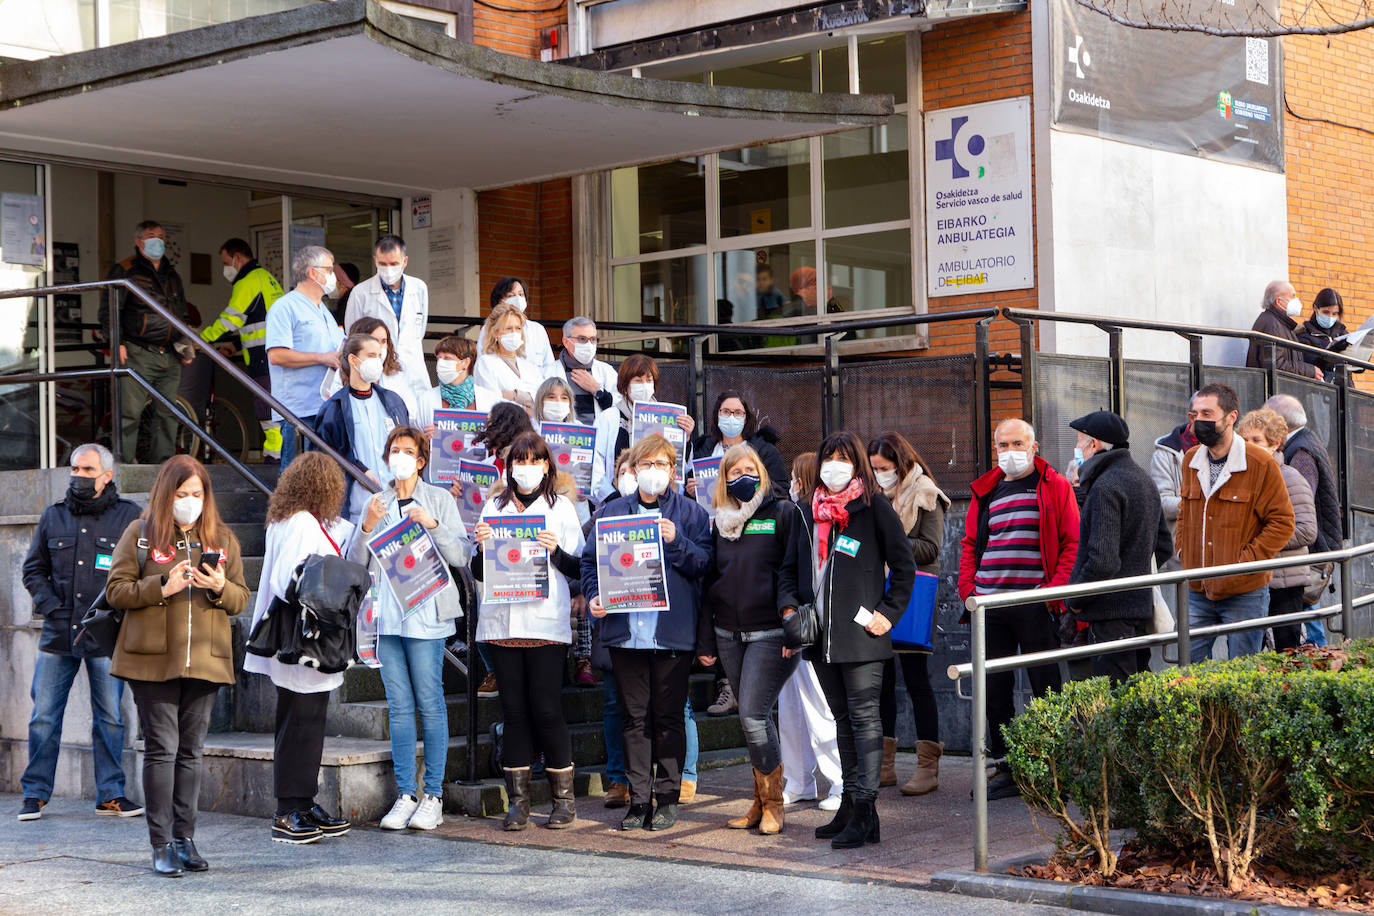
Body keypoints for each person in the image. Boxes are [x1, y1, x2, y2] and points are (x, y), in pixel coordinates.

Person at [106, 456, 249, 876]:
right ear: (166, 494)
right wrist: (162, 586)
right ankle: (161, 842)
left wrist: (220, 586)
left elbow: (241, 598)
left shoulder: (222, 537)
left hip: (205, 659)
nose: (189, 501)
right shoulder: (141, 533)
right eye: (181, 494)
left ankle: (185, 838)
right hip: (152, 661)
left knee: (191, 751)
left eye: (196, 493)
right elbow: (116, 590)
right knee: (162, 749)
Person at [583, 434, 713, 832]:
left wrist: (677, 541)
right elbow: (590, 564)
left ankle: (667, 798)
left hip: (671, 634)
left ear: (673, 470)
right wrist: (594, 596)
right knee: (634, 719)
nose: (652, 471)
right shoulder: (612, 512)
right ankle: (639, 800)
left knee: (669, 718)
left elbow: (705, 565)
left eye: (660, 464)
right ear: (634, 468)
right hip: (626, 634)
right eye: (646, 464)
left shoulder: (691, 513)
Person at [351, 427, 470, 832]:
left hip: (427, 615)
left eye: (408, 451)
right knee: (399, 707)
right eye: (394, 451)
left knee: (430, 702)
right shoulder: (376, 502)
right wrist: (367, 526)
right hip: (386, 616)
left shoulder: (437, 498)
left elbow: (461, 554)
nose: (400, 457)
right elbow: (355, 562)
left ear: (421, 461)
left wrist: (432, 524)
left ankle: (433, 795)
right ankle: (406, 793)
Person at [800, 432, 914, 849]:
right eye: (828, 456)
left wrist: (888, 613)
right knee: (842, 720)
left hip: (863, 634)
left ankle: (866, 808)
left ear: (857, 465)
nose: (834, 465)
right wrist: (790, 610)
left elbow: (904, 567)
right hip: (820, 635)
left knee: (865, 719)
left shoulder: (874, 507)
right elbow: (791, 570)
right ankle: (850, 804)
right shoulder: (805, 511)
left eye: (843, 458)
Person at [19, 443, 143, 822]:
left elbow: (140, 570)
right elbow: (33, 570)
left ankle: (111, 794)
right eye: (75, 469)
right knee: (43, 717)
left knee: (110, 718)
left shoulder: (130, 517)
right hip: (58, 635)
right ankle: (34, 794)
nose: (79, 476)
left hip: (106, 635)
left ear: (107, 475)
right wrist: (52, 607)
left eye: (88, 470)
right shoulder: (53, 516)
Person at [958, 418, 1078, 800]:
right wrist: (968, 591)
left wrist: (1052, 592)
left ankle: (1053, 768)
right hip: (989, 603)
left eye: (1017, 443)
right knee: (995, 689)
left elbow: (1071, 543)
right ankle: (1007, 767)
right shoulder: (986, 491)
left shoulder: (1054, 485)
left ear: (1034, 446)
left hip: (1034, 602)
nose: (1009, 451)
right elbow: (970, 544)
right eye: (1003, 445)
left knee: (1046, 685)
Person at [474, 432, 586, 830]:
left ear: (545, 465)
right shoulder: (494, 506)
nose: (526, 467)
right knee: (514, 712)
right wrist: (481, 549)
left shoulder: (561, 508)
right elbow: (478, 572)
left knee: (547, 709)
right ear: (509, 467)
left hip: (544, 623)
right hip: (503, 624)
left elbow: (579, 566)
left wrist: (555, 551)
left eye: (533, 460)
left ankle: (563, 801)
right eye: (519, 461)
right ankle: (518, 803)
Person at [696, 444, 810, 835]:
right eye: (734, 472)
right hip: (728, 633)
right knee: (751, 721)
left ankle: (775, 804)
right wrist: (706, 641)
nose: (742, 477)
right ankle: (760, 801)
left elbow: (795, 572)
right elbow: (711, 582)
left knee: (753, 715)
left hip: (772, 632)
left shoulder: (783, 513)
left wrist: (793, 627)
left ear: (760, 472)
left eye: (749, 469)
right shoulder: (720, 522)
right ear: (724, 480)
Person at [244, 451, 355, 845]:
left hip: (298, 637)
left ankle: (302, 802)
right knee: (301, 724)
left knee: (303, 722)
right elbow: (288, 578)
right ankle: (288, 809)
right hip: (303, 635)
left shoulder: (289, 519)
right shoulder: (301, 522)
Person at [1178, 384, 1295, 662]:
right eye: (1194, 414)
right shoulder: (1191, 459)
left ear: (1231, 417)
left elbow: (1282, 522)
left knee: (1243, 672)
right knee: (1186, 671)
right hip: (1197, 588)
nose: (1198, 420)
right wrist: (1183, 550)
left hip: (1245, 591)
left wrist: (1245, 562)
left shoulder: (1260, 463)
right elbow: (1185, 511)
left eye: (1207, 413)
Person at [1062, 411, 1173, 684]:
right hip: (1139, 607)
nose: (1077, 448)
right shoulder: (1143, 479)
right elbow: (1163, 545)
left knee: (1115, 692)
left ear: (1094, 444)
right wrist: (1135, 571)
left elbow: (1103, 560)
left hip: (1110, 611)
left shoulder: (1105, 486)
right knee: (1137, 690)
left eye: (1079, 441)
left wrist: (1075, 600)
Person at [867, 432, 950, 796]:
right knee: (882, 681)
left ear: (900, 463)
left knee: (917, 681)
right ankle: (884, 767)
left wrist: (889, 542)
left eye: (884, 468)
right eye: (873, 468)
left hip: (913, 597)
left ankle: (927, 769)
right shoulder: (873, 497)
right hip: (879, 596)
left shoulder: (926, 492)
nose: (879, 474)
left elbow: (931, 547)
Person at [776, 452, 844, 812]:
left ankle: (839, 780)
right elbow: (789, 567)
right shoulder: (799, 512)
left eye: (794, 476)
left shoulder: (819, 513)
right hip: (796, 621)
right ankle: (799, 781)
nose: (791, 483)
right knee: (790, 708)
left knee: (820, 707)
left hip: (819, 624)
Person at [98, 220, 192, 462]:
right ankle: (125, 467)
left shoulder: (172, 274)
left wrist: (186, 347)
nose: (157, 241)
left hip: (169, 353)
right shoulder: (125, 270)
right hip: (137, 351)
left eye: (161, 236)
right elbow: (110, 310)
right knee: (129, 413)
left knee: (168, 413)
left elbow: (181, 314)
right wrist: (116, 342)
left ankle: (163, 466)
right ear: (138, 241)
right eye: (151, 236)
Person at [197, 238, 287, 460]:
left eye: (225, 262)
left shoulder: (248, 281)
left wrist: (201, 339)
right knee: (276, 411)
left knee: (267, 412)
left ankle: (274, 461)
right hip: (275, 355)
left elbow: (230, 320)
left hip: (263, 358)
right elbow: (257, 320)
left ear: (237, 258)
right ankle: (279, 457)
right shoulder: (266, 278)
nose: (225, 269)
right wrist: (235, 345)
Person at [1235, 409, 1317, 651]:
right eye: (1244, 440)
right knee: (1249, 650)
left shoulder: (1290, 478)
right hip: (1251, 579)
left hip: (1285, 581)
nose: (1249, 446)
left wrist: (1261, 542)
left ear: (1275, 443)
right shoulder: (1239, 477)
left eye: (1256, 440)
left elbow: (1307, 530)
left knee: (1286, 649)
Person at [1265, 393, 1340, 645]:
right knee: (1306, 615)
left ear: (1280, 423)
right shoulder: (1306, 442)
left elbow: (1298, 503)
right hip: (1312, 546)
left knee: (1307, 617)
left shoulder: (1301, 451)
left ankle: (1316, 658)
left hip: (1309, 550)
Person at [311, 333, 410, 520]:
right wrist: (358, 469)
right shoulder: (334, 408)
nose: (377, 361)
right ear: (353, 360)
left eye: (379, 356)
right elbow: (326, 457)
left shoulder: (393, 401)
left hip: (398, 507)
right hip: (357, 510)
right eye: (371, 356)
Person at [265, 245, 344, 467]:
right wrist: (321, 357)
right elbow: (277, 355)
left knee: (322, 476)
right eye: (329, 270)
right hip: (299, 410)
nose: (333, 276)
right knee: (297, 476)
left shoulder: (323, 310)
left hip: (325, 407)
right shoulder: (285, 307)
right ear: (312, 273)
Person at [590, 353, 695, 503]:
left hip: (660, 500)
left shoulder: (667, 418)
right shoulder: (608, 418)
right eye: (638, 380)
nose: (644, 385)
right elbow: (596, 464)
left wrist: (686, 438)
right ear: (625, 385)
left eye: (649, 380)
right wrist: (611, 497)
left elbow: (679, 467)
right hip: (617, 501)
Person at [343, 235, 432, 406]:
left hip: (414, 368)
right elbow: (352, 336)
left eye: (394, 264)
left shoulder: (419, 288)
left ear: (405, 261)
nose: (388, 269)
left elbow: (419, 330)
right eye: (383, 264)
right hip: (378, 370)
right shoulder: (361, 292)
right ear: (375, 261)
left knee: (416, 414)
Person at [687, 391, 788, 499]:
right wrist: (693, 493)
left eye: (738, 412)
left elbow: (781, 491)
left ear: (745, 419)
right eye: (726, 411)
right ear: (717, 416)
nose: (731, 417)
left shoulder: (765, 451)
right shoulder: (702, 450)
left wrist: (755, 487)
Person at [329, 316, 421, 420]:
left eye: (384, 341)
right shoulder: (341, 376)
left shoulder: (397, 375)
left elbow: (411, 412)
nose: (380, 347)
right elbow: (337, 415)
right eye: (374, 340)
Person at [545, 317, 619, 424]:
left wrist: (597, 390)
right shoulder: (547, 372)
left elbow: (618, 409)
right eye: (582, 339)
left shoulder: (606, 371)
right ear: (566, 342)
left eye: (593, 339)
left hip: (599, 433)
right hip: (562, 433)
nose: (589, 344)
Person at [1246, 280, 1322, 380]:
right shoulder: (1272, 325)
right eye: (1292, 296)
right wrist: (1309, 370)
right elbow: (1277, 365)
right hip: (1275, 386)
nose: (1296, 300)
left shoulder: (1279, 323)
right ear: (1279, 302)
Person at [476, 278, 555, 374]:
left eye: (521, 294)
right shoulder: (489, 329)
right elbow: (483, 365)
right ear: (499, 301)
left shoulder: (538, 329)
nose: (517, 299)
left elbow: (549, 366)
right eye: (511, 295)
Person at [416, 335, 494, 431]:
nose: (441, 363)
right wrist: (425, 436)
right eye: (438, 358)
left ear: (465, 363)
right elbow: (417, 434)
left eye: (447, 358)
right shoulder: (426, 398)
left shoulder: (489, 399)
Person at [474, 302, 541, 411]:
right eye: (508, 328)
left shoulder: (530, 367)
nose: (514, 333)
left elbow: (542, 399)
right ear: (495, 333)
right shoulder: (486, 363)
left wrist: (515, 396)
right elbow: (491, 401)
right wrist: (528, 404)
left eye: (518, 328)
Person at [1151, 415, 1197, 550]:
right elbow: (1161, 502)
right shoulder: (1165, 453)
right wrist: (1200, 505)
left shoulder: (1227, 449)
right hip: (1179, 548)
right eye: (1201, 413)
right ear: (1192, 417)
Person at [1296, 288, 1351, 377]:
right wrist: (1333, 352)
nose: (1330, 317)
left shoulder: (1342, 333)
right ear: (1315, 308)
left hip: (1344, 384)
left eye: (1334, 314)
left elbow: (1357, 368)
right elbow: (1311, 366)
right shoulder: (1304, 335)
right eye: (1326, 312)